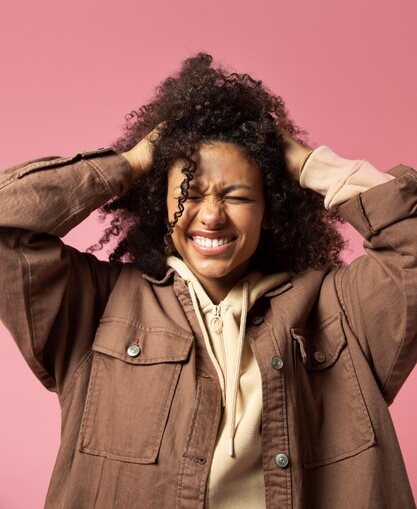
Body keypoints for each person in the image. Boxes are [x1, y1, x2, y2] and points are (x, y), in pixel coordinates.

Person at [0, 52, 416, 509]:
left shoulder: (339, 311)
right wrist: (132, 163)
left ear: (270, 209)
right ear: (158, 202)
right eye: (188, 195)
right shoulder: (96, 307)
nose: (212, 216)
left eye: (237, 196)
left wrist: (305, 163)